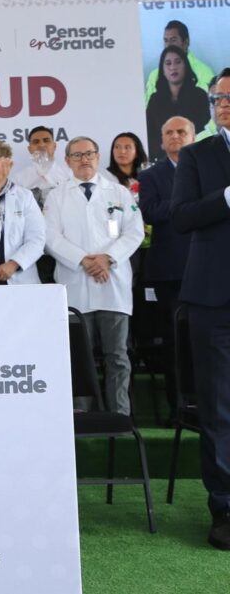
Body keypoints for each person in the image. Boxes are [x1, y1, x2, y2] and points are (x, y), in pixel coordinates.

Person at [170, 67, 230, 550]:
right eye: (217, 99)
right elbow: (181, 217)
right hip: (214, 299)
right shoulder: (196, 155)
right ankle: (225, 506)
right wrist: (226, 198)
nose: (223, 104)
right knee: (219, 408)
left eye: (229, 97)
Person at [44, 136, 144, 416]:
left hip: (113, 284)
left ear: (98, 157)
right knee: (79, 357)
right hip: (75, 284)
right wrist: (84, 260)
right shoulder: (56, 195)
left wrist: (106, 258)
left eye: (89, 153)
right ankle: (82, 416)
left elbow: (134, 232)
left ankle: (120, 416)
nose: (84, 159)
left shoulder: (119, 192)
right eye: (77, 155)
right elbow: (50, 237)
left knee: (118, 356)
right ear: (67, 161)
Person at [139, 115, 195, 420]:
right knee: (174, 342)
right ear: (161, 141)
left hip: (207, 269)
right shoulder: (151, 176)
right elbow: (149, 212)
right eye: (169, 133)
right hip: (168, 272)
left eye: (181, 132)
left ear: (193, 137)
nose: (176, 136)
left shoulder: (206, 169)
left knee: (210, 340)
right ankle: (179, 408)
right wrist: (189, 205)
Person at [0, 140, 44, 285]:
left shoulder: (25, 197)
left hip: (19, 278)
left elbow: (37, 239)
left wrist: (14, 263)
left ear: (10, 166)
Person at [146, 46, 211, 160]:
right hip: (163, 158)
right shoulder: (155, 100)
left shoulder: (199, 96)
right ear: (162, 70)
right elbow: (150, 133)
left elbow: (206, 131)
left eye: (177, 62)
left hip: (196, 155)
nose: (173, 67)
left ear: (186, 65)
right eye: (168, 63)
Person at [144, 20, 215, 102]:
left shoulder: (204, 72)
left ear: (186, 43)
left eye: (173, 40)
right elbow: (147, 107)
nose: (168, 45)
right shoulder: (154, 75)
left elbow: (208, 106)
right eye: (166, 41)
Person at [10, 125, 72, 207]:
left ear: (54, 146)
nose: (41, 145)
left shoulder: (69, 175)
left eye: (46, 141)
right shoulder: (18, 179)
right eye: (36, 142)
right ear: (29, 149)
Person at [106, 132, 148, 196]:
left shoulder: (146, 176)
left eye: (127, 147)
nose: (122, 151)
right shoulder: (105, 177)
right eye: (117, 147)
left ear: (137, 152)